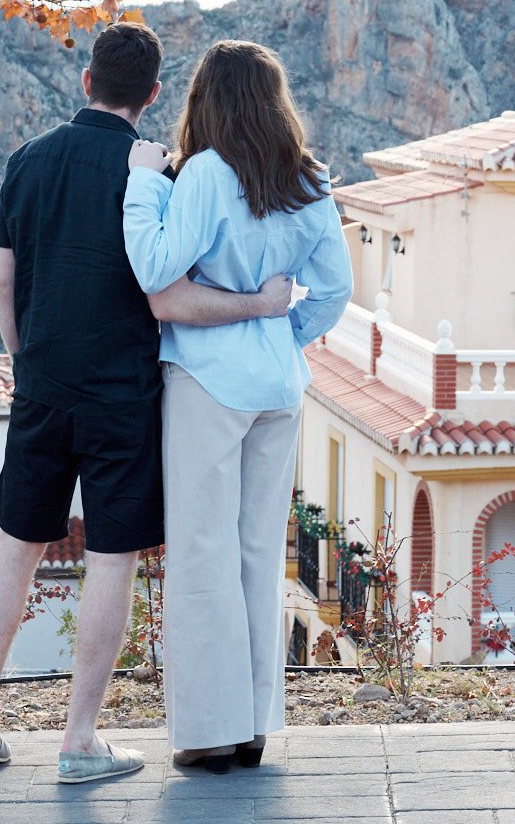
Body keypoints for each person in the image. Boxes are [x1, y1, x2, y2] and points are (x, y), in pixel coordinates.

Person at [0, 21, 294, 786]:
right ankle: (79, 739)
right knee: (110, 559)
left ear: (85, 81)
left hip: (42, 387)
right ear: (151, 94)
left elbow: (0, 283)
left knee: (16, 544)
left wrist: (25, 358)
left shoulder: (28, 161)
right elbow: (172, 295)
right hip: (124, 398)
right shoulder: (163, 176)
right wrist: (257, 303)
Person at [123, 39, 352, 773]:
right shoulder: (309, 180)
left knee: (201, 550)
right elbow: (335, 291)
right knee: (261, 553)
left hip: (207, 381)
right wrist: (279, 332)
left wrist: (145, 186)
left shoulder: (204, 175)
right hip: (279, 387)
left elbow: (156, 268)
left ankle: (206, 733)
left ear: (207, 100)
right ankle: (254, 725)